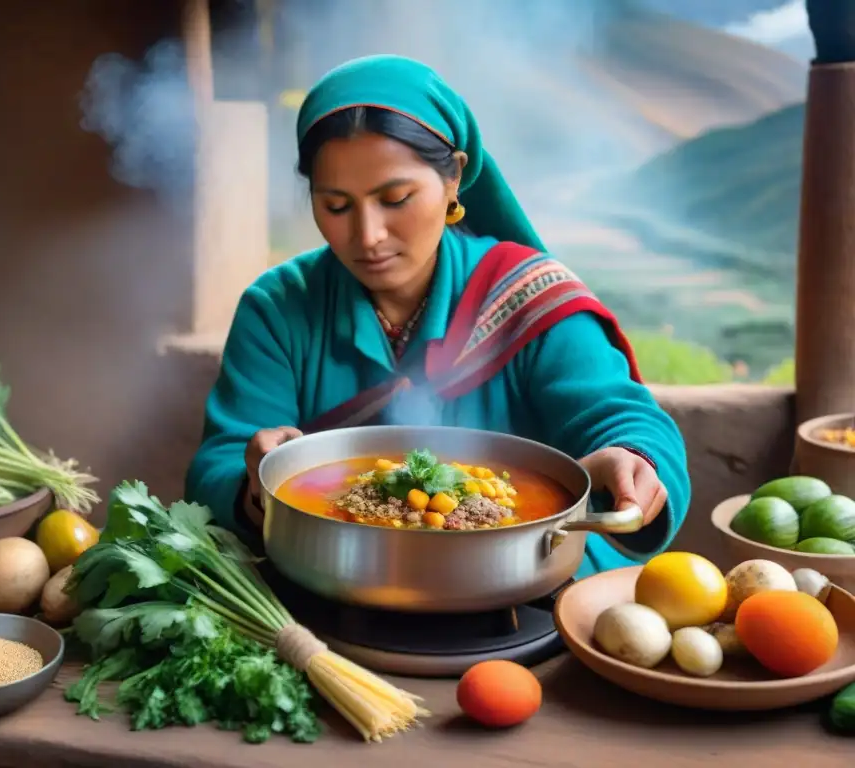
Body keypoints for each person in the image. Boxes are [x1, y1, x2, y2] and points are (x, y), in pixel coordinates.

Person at [185, 54, 690, 578]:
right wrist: (254, 480)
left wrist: (635, 460)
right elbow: (217, 466)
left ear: (455, 180)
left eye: (396, 198)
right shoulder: (277, 310)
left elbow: (628, 420)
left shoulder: (528, 297)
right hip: (326, 592)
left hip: (518, 589)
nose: (368, 235)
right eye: (336, 206)